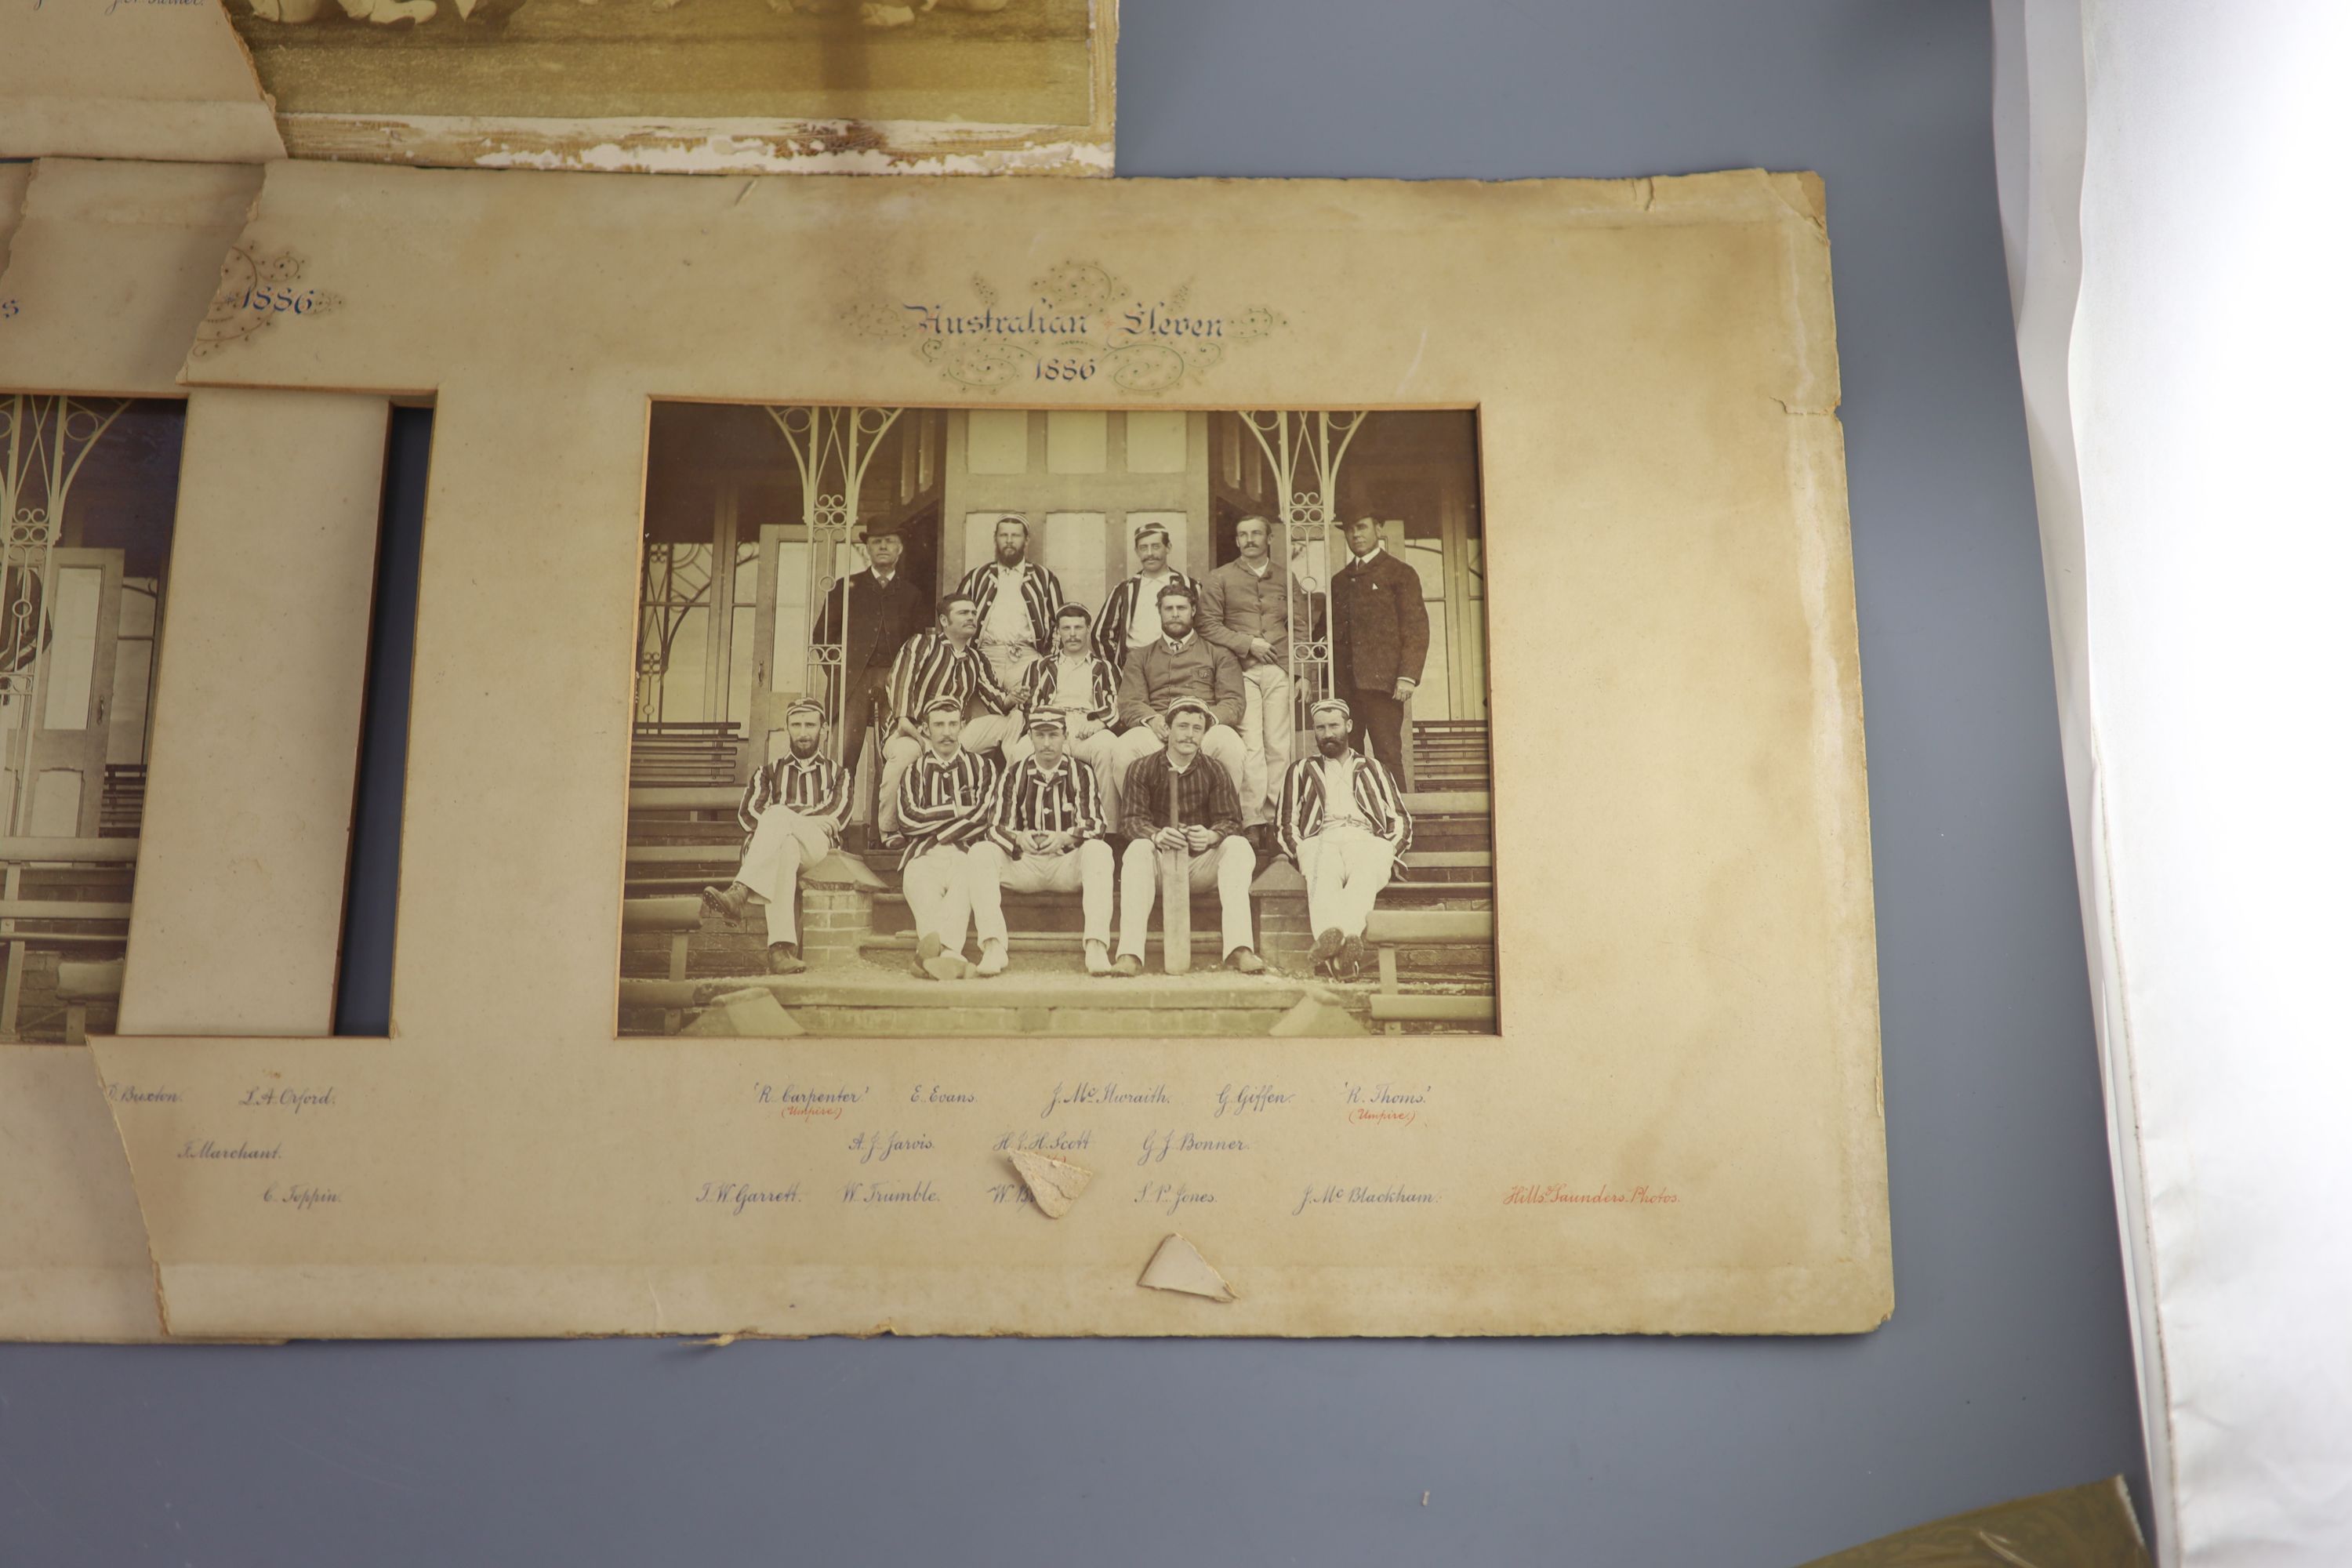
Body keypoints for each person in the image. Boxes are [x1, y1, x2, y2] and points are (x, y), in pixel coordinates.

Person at [1113, 699, 1265, 978]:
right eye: (1182, 726)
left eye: (1197, 728)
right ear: (1167, 729)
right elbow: (1131, 822)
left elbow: (1231, 822)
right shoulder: (1142, 768)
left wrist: (1210, 835)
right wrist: (1157, 835)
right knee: (1136, 850)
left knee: (1239, 847)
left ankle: (1240, 948)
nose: (1189, 734)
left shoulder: (1215, 769)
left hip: (1199, 865)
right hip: (1158, 866)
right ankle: (1129, 954)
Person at [699, 699, 849, 975]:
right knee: (787, 847)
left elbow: (836, 815)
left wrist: (787, 817)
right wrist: (801, 819)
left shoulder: (839, 774)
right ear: (787, 728)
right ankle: (780, 950)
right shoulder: (767, 772)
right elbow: (749, 815)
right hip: (777, 851)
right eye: (796, 725)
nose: (803, 732)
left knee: (778, 814)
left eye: (810, 725)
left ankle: (740, 892)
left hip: (815, 848)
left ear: (824, 730)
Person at [965, 710, 1116, 978]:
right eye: (1040, 735)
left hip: (1064, 864)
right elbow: (996, 826)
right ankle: (993, 945)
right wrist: (1019, 838)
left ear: (1065, 737)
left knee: (1100, 850)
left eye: (1053, 735)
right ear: (1031, 738)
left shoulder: (1081, 773)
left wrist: (1066, 837)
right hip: (1026, 863)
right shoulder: (1014, 773)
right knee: (980, 852)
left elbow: (1096, 823)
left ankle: (1096, 945)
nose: (1047, 743)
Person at [1273, 697, 1413, 982]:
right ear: (1314, 731)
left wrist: (1389, 847)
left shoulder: (1374, 768)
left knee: (1365, 873)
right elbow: (1286, 822)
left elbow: (1400, 818)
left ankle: (1334, 943)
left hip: (1366, 838)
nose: (1328, 734)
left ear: (1348, 726)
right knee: (1320, 872)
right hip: (1321, 838)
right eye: (1321, 727)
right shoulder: (1301, 770)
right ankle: (1345, 950)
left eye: (1334, 726)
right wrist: (1300, 849)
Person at [1196, 513, 1310, 843]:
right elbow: (1208, 625)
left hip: (1279, 669)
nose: (1249, 540)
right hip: (1239, 670)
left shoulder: (1287, 578)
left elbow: (1300, 627)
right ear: (1236, 541)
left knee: (1278, 743)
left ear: (1269, 539)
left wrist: (1302, 673)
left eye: (1256, 534)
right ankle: (1252, 819)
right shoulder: (1219, 578)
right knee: (1251, 744)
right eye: (1243, 534)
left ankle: (1277, 819)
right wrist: (1248, 644)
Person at [877, 592, 1019, 840]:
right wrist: (903, 719)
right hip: (912, 733)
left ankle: (1016, 799)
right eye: (963, 613)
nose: (971, 617)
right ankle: (889, 830)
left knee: (1011, 722)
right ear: (944, 620)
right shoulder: (923, 644)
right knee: (905, 754)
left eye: (974, 613)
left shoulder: (976, 658)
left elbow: (996, 700)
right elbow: (901, 681)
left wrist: (1014, 698)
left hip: (954, 736)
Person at [1108, 583, 1248, 828]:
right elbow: (1130, 701)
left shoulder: (1219, 653)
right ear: (1159, 612)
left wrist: (1206, 721)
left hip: (1203, 727)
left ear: (1193, 610)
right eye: (1168, 608)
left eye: (1181, 608)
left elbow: (1234, 702)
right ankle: (1143, 825)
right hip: (1159, 727)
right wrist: (1152, 719)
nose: (1175, 613)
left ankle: (1221, 825)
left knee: (1230, 745)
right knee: (1124, 748)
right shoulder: (1140, 656)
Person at [811, 526, 930, 811]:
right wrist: (842, 675)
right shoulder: (846, 587)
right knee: (844, 756)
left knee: (889, 756)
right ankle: (835, 822)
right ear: (868, 549)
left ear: (900, 549)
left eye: (890, 541)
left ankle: (879, 831)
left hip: (894, 682)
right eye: (877, 541)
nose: (883, 546)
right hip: (853, 682)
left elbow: (920, 645)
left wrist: (902, 683)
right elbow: (822, 638)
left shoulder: (912, 594)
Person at [886, 695, 1000, 982]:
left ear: (963, 725)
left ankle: (934, 956)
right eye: (939, 725)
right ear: (926, 729)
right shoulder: (914, 770)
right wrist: (956, 810)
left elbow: (985, 816)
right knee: (918, 883)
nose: (947, 732)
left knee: (966, 881)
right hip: (922, 855)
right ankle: (948, 956)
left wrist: (937, 825)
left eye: (953, 724)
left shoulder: (983, 767)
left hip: (965, 853)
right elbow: (908, 820)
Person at [1329, 514, 1430, 781]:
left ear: (1378, 528)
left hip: (1383, 684)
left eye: (1361, 527)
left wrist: (1407, 676)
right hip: (1345, 686)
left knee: (1387, 754)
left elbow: (1416, 628)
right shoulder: (1340, 581)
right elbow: (1324, 632)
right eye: (1350, 529)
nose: (1356, 535)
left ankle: (1398, 817)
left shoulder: (1400, 573)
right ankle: (1353, 815)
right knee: (1347, 755)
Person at [1006, 603, 1123, 828]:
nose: (1072, 634)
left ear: (1088, 628)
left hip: (1087, 727)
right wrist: (1047, 724)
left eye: (1078, 628)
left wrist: (1101, 723)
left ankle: (1108, 830)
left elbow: (1116, 703)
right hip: (1050, 723)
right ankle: (1025, 826)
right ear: (1058, 632)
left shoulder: (1106, 668)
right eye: (1066, 628)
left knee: (1108, 748)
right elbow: (1030, 706)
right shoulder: (1040, 667)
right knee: (1022, 750)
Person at [954, 515, 1066, 692]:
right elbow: (955, 617)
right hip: (985, 656)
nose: (1009, 541)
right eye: (1003, 535)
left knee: (1026, 713)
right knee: (983, 715)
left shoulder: (1044, 578)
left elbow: (1061, 624)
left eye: (1015, 535)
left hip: (1027, 658)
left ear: (1026, 540)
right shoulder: (976, 577)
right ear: (995, 538)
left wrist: (1049, 660)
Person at [1091, 518, 1197, 672]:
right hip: (1137, 666)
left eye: (1156, 547)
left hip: (1180, 665)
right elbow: (1100, 635)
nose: (1150, 554)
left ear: (1168, 547)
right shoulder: (1125, 589)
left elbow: (1203, 629)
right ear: (1137, 551)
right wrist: (1120, 667)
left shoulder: (1189, 586)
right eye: (1143, 548)